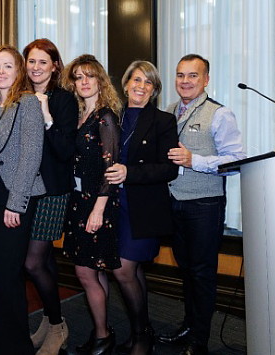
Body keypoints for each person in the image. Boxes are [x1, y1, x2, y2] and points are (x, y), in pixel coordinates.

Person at [159, 54, 246, 355]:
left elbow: (236, 161)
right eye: (180, 75)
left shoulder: (220, 114)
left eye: (193, 75)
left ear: (206, 79)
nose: (185, 81)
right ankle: (188, 326)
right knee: (185, 270)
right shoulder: (169, 111)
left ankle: (200, 339)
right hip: (175, 203)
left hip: (205, 205)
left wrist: (194, 160)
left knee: (202, 273)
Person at [104, 61, 179, 355]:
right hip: (111, 206)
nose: (141, 86)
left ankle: (142, 336)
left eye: (148, 83)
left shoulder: (163, 121)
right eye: (136, 80)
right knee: (131, 272)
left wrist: (129, 173)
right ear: (125, 84)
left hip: (142, 207)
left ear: (155, 89)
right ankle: (141, 332)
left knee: (123, 270)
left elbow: (168, 169)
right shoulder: (111, 117)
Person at [0, 44, 45, 355]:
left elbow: (31, 156)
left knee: (5, 275)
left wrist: (15, 203)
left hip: (15, 196)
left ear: (19, 71)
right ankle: (6, 345)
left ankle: (14, 348)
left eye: (8, 66)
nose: (1, 72)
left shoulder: (28, 103)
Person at [61, 54, 122, 355]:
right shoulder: (79, 115)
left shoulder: (105, 117)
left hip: (97, 204)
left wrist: (98, 210)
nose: (84, 82)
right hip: (78, 201)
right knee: (94, 270)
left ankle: (102, 336)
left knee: (86, 272)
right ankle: (104, 332)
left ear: (100, 80)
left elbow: (111, 171)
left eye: (90, 76)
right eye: (78, 77)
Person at [22, 38, 77, 355]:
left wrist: (46, 114)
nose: (36, 67)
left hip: (53, 191)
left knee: (32, 261)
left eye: (43, 61)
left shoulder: (64, 101)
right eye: (31, 61)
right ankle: (48, 318)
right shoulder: (19, 98)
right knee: (41, 260)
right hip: (24, 191)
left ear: (55, 66)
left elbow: (64, 150)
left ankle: (57, 325)